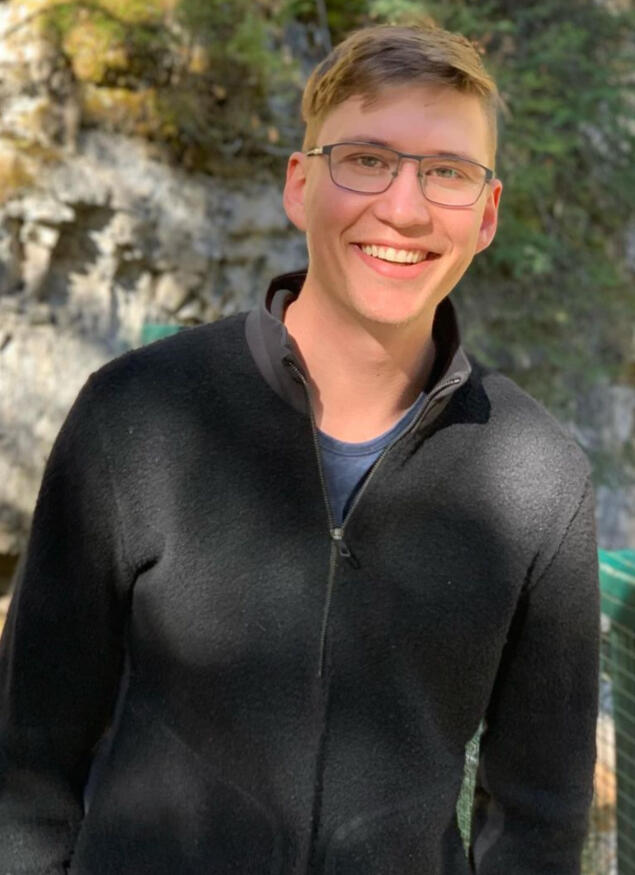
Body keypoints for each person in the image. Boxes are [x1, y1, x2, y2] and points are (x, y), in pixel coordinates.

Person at [0, 22, 599, 875]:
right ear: (299, 184)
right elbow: (27, 755)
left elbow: (538, 822)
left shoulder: (538, 477)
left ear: (487, 215)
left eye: (447, 172)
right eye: (366, 159)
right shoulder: (137, 413)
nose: (404, 208)